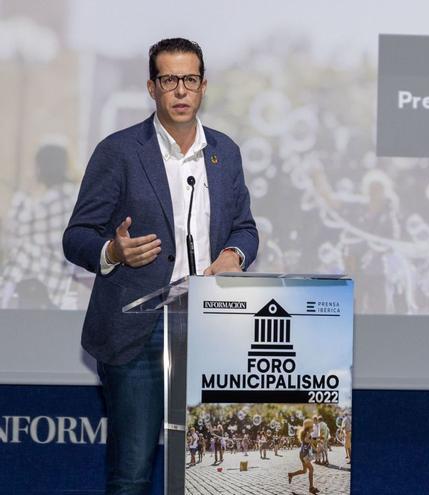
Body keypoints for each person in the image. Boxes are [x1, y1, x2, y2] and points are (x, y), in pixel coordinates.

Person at [62, 38, 258, 494]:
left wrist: (234, 254)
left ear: (204, 85)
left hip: (211, 328)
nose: (181, 91)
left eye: (189, 79)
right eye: (169, 80)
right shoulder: (120, 151)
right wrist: (113, 252)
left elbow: (245, 228)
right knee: (132, 474)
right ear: (151, 88)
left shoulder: (224, 152)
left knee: (217, 472)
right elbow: (76, 237)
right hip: (138, 332)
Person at [288, 419, 319, 494]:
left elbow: (311, 443)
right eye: (312, 427)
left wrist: (316, 449)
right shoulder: (306, 433)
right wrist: (312, 441)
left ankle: (291, 474)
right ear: (309, 427)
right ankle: (311, 487)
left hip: (303, 454)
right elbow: (306, 440)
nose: (313, 428)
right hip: (303, 455)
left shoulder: (308, 434)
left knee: (304, 471)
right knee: (311, 469)